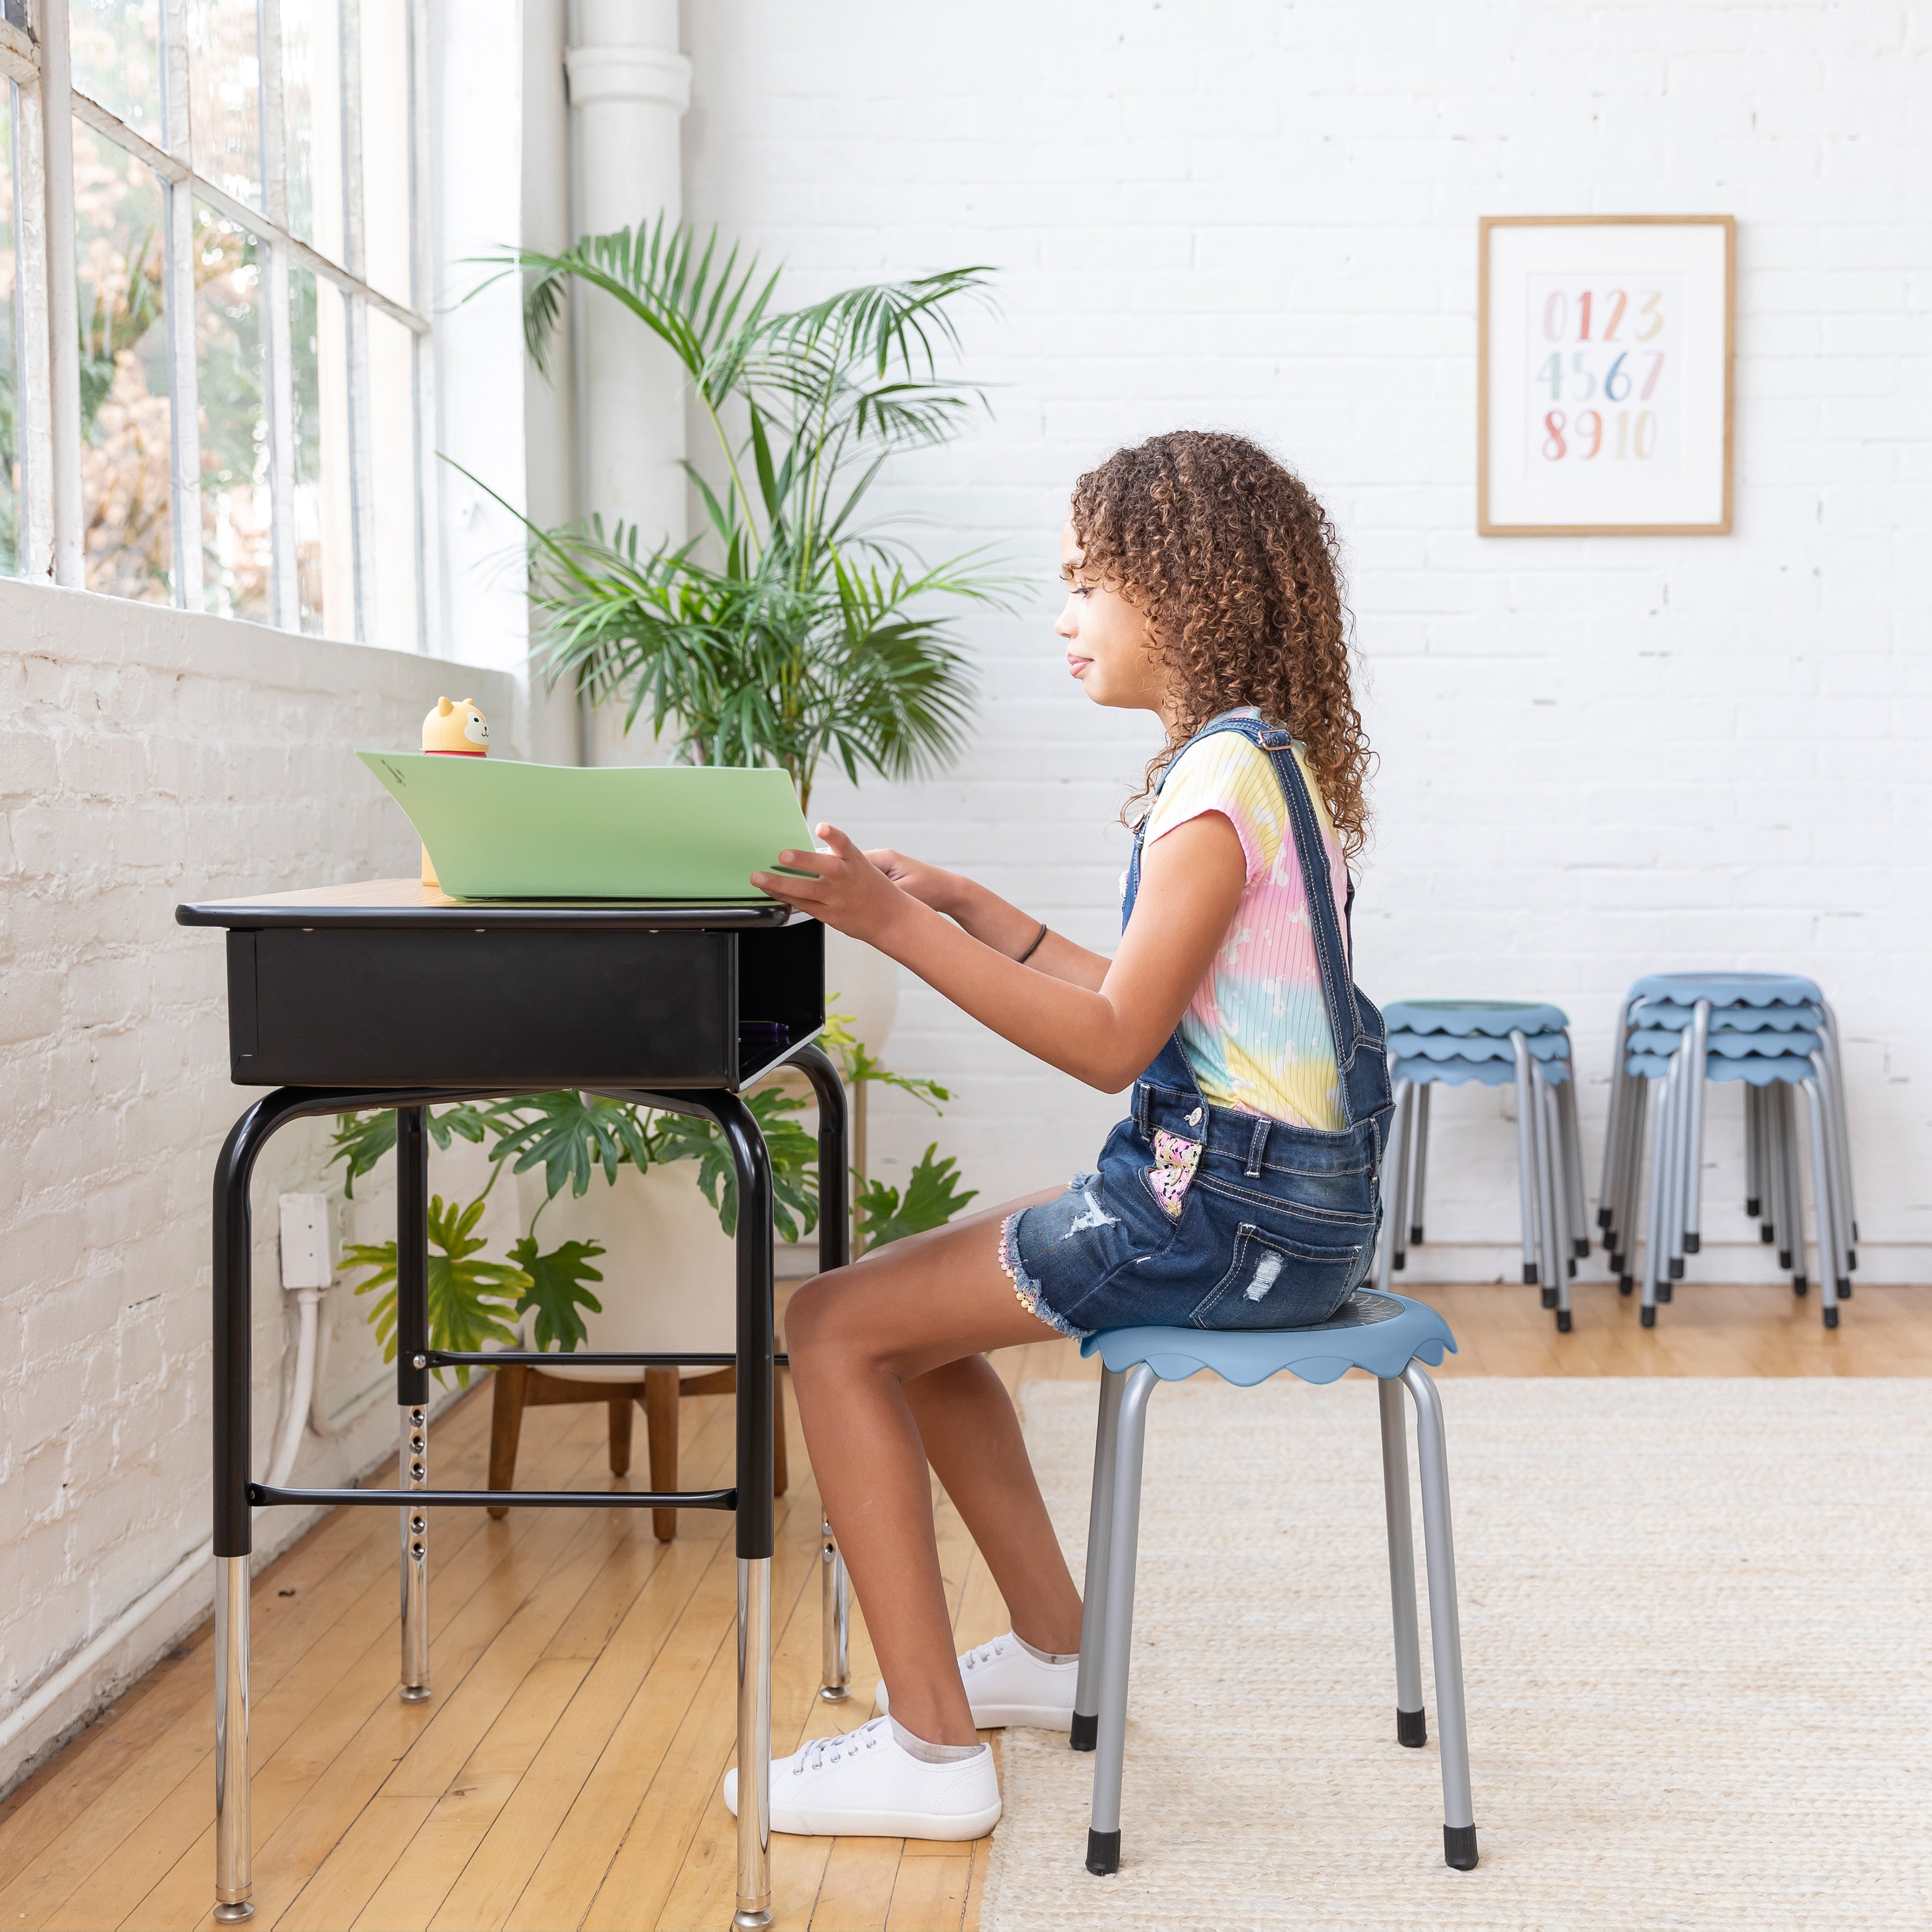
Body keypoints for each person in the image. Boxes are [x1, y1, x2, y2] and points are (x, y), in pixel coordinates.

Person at [725, 428, 1390, 1840]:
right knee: (922, 1302)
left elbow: (1111, 1046)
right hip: (1288, 1212)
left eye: (1092, 582)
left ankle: (927, 1750)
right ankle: (1051, 1649)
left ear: (1190, 594)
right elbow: (1169, 1002)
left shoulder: (1211, 791)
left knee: (834, 1325)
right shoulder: (1265, 771)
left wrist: (890, 926)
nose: (1065, 614)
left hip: (1220, 1217)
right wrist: (975, 907)